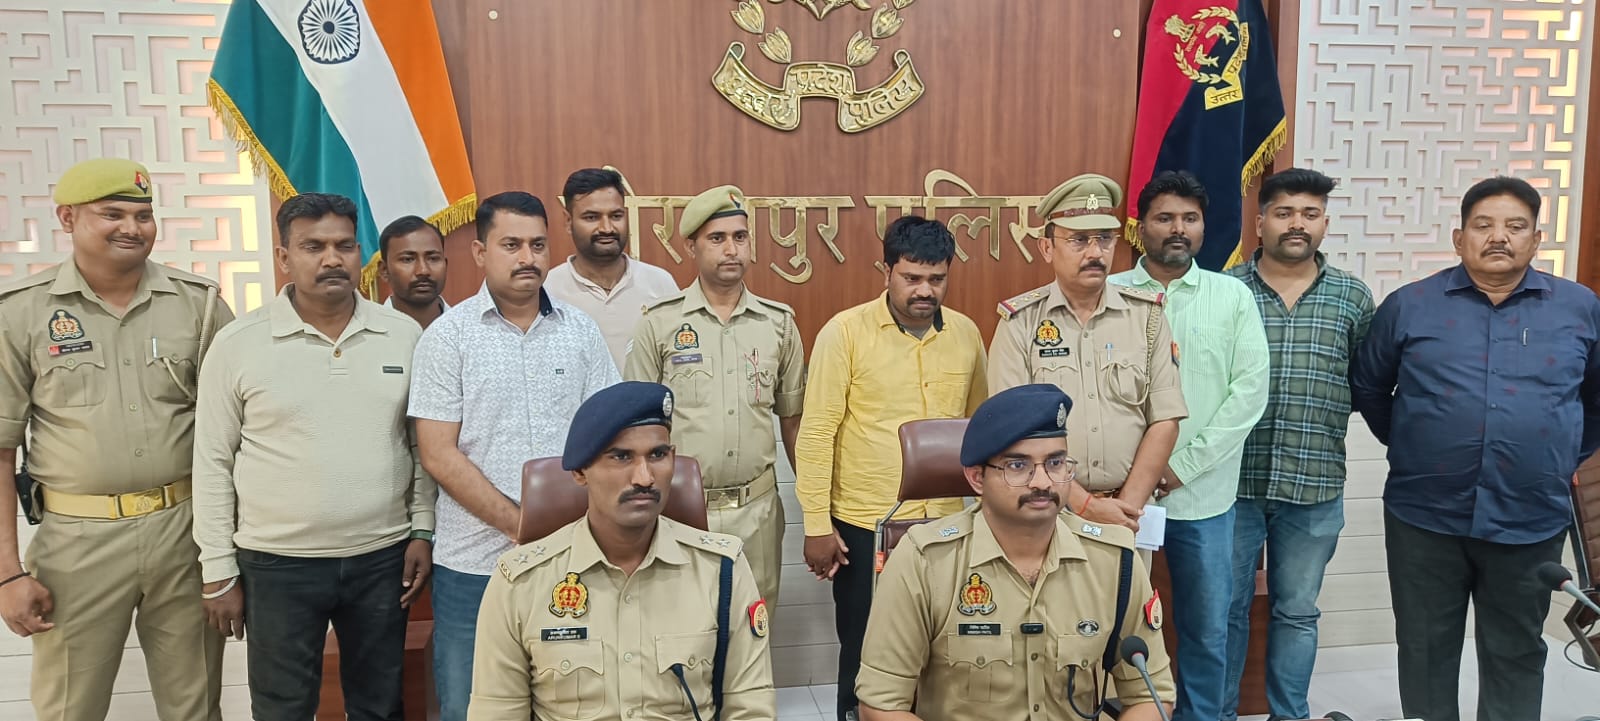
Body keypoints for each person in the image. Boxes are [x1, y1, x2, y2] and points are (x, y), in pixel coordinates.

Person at [1350, 175, 1600, 721]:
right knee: (1425, 648)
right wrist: (1416, 443)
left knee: (1517, 650)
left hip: (1530, 517)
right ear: (1459, 237)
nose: (1499, 237)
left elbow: (1596, 400)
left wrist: (1557, 457)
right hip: (1424, 516)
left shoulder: (1580, 308)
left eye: (1515, 226)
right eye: (1483, 225)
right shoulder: (1409, 306)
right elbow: (1369, 387)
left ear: (1536, 239)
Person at [0, 157, 230, 721]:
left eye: (143, 215)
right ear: (68, 218)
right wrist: (8, 572)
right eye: (112, 214)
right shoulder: (21, 313)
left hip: (185, 533)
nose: (132, 227)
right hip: (76, 541)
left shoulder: (198, 303)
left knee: (196, 705)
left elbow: (238, 430)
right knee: (70, 707)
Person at [191, 192, 435, 720]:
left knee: (380, 706)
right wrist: (218, 569)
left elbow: (420, 445)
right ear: (284, 258)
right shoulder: (238, 344)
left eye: (344, 246)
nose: (331, 259)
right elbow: (211, 462)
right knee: (283, 709)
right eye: (313, 247)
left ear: (360, 254)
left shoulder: (403, 335)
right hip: (277, 564)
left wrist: (422, 528)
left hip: (382, 557)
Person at [410, 191, 620, 721]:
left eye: (537, 245)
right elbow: (437, 454)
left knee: (578, 704)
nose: (527, 258)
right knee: (471, 705)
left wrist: (564, 532)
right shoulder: (448, 338)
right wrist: (520, 525)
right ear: (480, 253)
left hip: (572, 557)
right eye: (511, 245)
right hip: (473, 565)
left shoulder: (580, 331)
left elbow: (609, 438)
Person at [856, 384, 1175, 721]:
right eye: (1018, 466)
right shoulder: (925, 561)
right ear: (977, 478)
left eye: (1055, 463)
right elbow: (880, 704)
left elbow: (1152, 696)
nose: (1042, 482)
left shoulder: (1114, 559)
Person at [467, 381, 775, 721]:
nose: (644, 478)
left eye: (657, 455)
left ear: (673, 459)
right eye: (621, 457)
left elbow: (751, 709)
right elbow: (496, 712)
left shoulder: (722, 570)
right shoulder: (520, 583)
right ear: (580, 470)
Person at [794, 216, 988, 721]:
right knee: (865, 652)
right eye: (912, 277)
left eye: (937, 279)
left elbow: (979, 430)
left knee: (947, 652)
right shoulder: (845, 333)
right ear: (886, 272)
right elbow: (816, 434)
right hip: (868, 526)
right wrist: (817, 525)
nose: (925, 290)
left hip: (948, 525)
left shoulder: (966, 334)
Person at [1108, 170, 1269, 721]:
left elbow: (1249, 394)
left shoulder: (1232, 297)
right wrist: (1139, 477)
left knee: (1206, 627)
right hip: (1120, 500)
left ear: (1203, 227)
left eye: (1190, 218)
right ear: (1140, 227)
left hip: (1203, 498)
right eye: (1164, 218)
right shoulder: (1109, 295)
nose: (1178, 228)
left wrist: (1179, 468)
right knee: (1114, 622)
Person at [1220, 168, 1374, 721]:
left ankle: (1290, 715)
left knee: (1298, 612)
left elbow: (1363, 382)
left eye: (1310, 214)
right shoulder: (1225, 290)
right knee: (1226, 611)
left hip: (1314, 483)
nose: (1296, 224)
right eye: (1284, 213)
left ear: (1325, 224)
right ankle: (1218, 714)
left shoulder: (1352, 295)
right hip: (1231, 483)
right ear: (1260, 221)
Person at [623, 185, 805, 605]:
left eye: (740, 237)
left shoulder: (777, 324)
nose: (731, 250)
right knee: (679, 626)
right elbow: (637, 429)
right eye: (717, 238)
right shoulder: (659, 324)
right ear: (692, 247)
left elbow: (794, 423)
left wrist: (814, 514)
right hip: (680, 510)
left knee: (755, 625)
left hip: (757, 512)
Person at [988, 173, 1186, 531]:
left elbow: (1165, 419)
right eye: (1079, 240)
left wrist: (1125, 508)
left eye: (1105, 239)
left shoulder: (1147, 317)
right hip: (1047, 511)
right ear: (1047, 248)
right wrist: (1087, 507)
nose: (1095, 253)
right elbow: (1013, 430)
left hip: (1130, 513)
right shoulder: (1020, 323)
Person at [544, 167, 680, 369]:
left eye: (616, 216)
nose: (606, 228)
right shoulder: (548, 290)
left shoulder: (660, 284)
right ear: (568, 221)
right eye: (591, 217)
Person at [378, 214, 450, 328]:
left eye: (433, 258)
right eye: (408, 259)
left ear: (446, 265)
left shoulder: (470, 328)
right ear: (384, 270)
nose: (423, 271)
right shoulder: (366, 335)